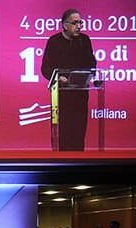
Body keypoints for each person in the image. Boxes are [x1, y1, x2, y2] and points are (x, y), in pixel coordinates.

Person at [41, 9, 96, 151]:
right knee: (64, 136)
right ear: (65, 25)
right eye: (75, 23)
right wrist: (58, 78)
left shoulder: (84, 40)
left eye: (80, 23)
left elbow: (92, 64)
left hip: (80, 95)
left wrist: (87, 74)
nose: (79, 26)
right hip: (61, 96)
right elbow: (45, 68)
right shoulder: (54, 42)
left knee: (78, 136)